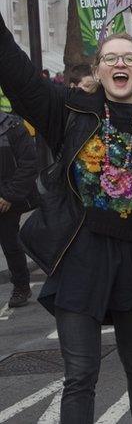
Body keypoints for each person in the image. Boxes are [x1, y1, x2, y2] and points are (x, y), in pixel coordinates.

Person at [0, 12, 132, 423]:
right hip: (81, 258)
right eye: (110, 58)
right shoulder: (73, 113)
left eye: (129, 59)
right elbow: (21, 80)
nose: (120, 65)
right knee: (80, 375)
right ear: (98, 71)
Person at [0, 110, 38, 308]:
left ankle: (21, 287)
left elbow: (29, 163)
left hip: (7, 200)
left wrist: (9, 196)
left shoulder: (12, 126)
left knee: (11, 245)